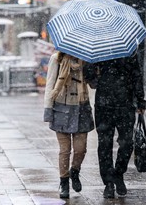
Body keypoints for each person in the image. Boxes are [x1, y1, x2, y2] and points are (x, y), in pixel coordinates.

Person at [83, 53, 146, 198]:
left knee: (127, 143)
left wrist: (140, 100)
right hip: (104, 105)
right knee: (104, 144)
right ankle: (109, 182)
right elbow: (88, 72)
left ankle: (118, 173)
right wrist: (98, 80)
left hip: (125, 104)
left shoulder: (128, 50)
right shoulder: (97, 50)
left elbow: (136, 76)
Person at [43, 51, 94, 199]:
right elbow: (50, 84)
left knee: (80, 149)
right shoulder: (57, 58)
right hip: (61, 109)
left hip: (81, 108)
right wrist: (48, 109)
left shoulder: (86, 59)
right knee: (65, 150)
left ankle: (75, 171)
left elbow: (94, 84)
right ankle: (64, 182)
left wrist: (93, 69)